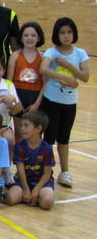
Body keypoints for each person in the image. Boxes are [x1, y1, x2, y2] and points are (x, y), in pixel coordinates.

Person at [39, 17, 89, 188]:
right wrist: (65, 77)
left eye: (69, 32)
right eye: (62, 32)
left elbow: (85, 76)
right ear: (56, 34)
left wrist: (69, 66)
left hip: (70, 103)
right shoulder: (52, 52)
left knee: (64, 139)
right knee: (49, 138)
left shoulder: (80, 53)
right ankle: (46, 171)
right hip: (52, 100)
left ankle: (65, 171)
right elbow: (43, 69)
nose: (66, 36)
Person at [5, 111, 55, 210]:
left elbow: (47, 174)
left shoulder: (46, 148)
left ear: (38, 128)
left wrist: (36, 190)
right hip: (24, 182)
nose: (22, 129)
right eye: (22, 125)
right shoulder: (19, 147)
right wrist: (26, 189)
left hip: (42, 183)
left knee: (47, 203)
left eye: (26, 125)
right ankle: (29, 197)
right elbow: (20, 170)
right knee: (10, 199)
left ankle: (36, 197)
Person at [7, 22, 46, 121]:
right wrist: (17, 102)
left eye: (33, 35)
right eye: (26, 35)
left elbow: (45, 83)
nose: (29, 38)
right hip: (17, 95)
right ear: (21, 38)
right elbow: (9, 81)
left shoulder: (42, 57)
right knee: (19, 133)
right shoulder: (15, 56)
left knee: (34, 132)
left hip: (35, 97)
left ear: (38, 38)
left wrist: (36, 104)